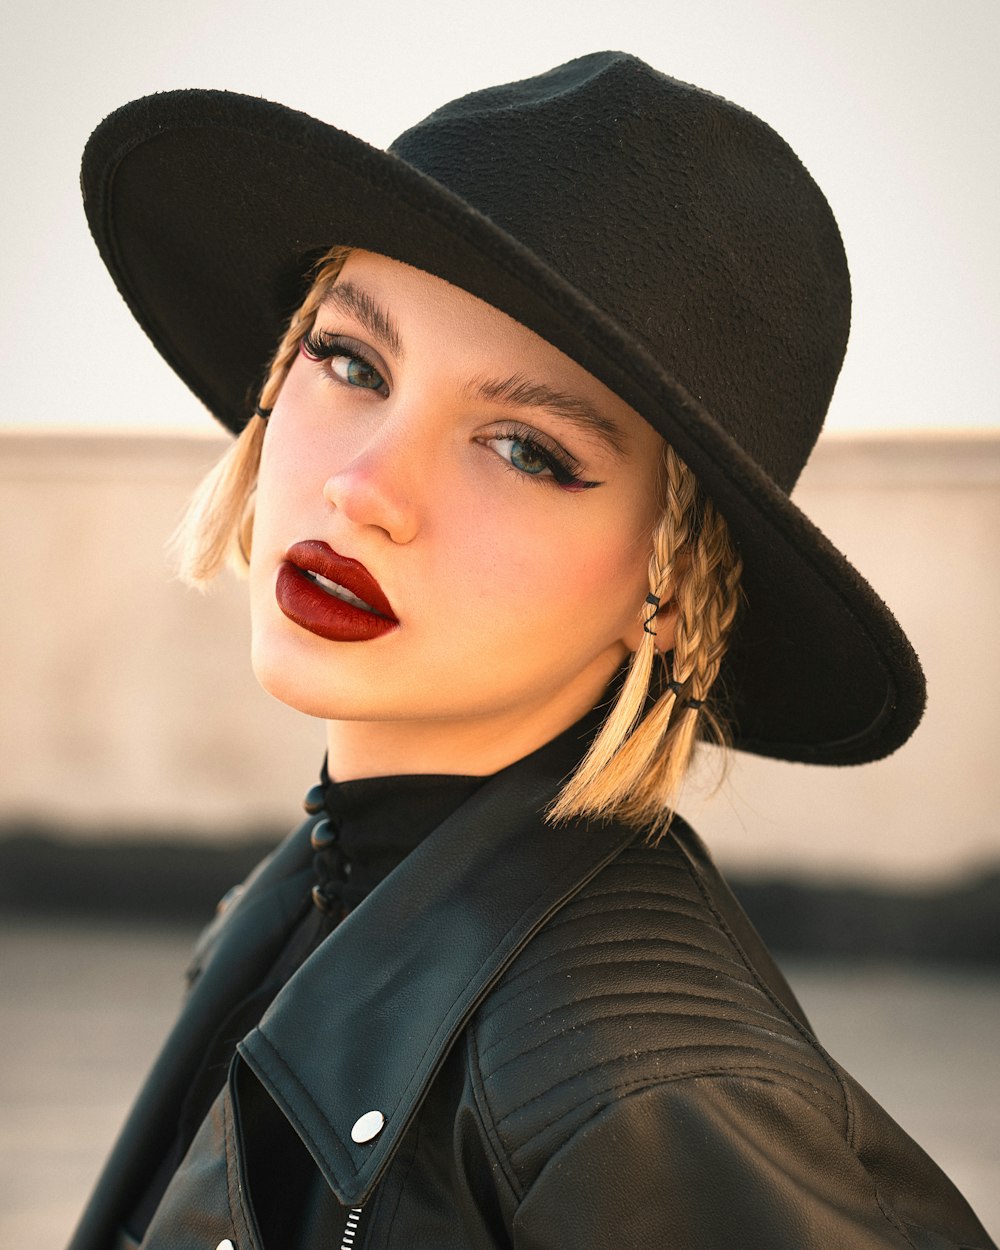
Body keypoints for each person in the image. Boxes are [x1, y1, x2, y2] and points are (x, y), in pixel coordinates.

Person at [71, 52, 995, 1250]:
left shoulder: (646, 1101)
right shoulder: (305, 898)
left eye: (522, 447)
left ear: (670, 588)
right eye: (351, 361)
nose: (364, 489)